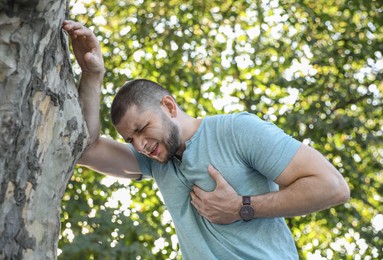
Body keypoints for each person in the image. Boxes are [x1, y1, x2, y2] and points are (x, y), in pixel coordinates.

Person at [62, 20, 350, 259]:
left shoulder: (237, 131)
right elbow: (85, 148)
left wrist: (242, 207)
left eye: (142, 129)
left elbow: (332, 187)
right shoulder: (155, 162)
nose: (139, 145)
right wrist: (91, 74)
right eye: (129, 138)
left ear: (169, 107)